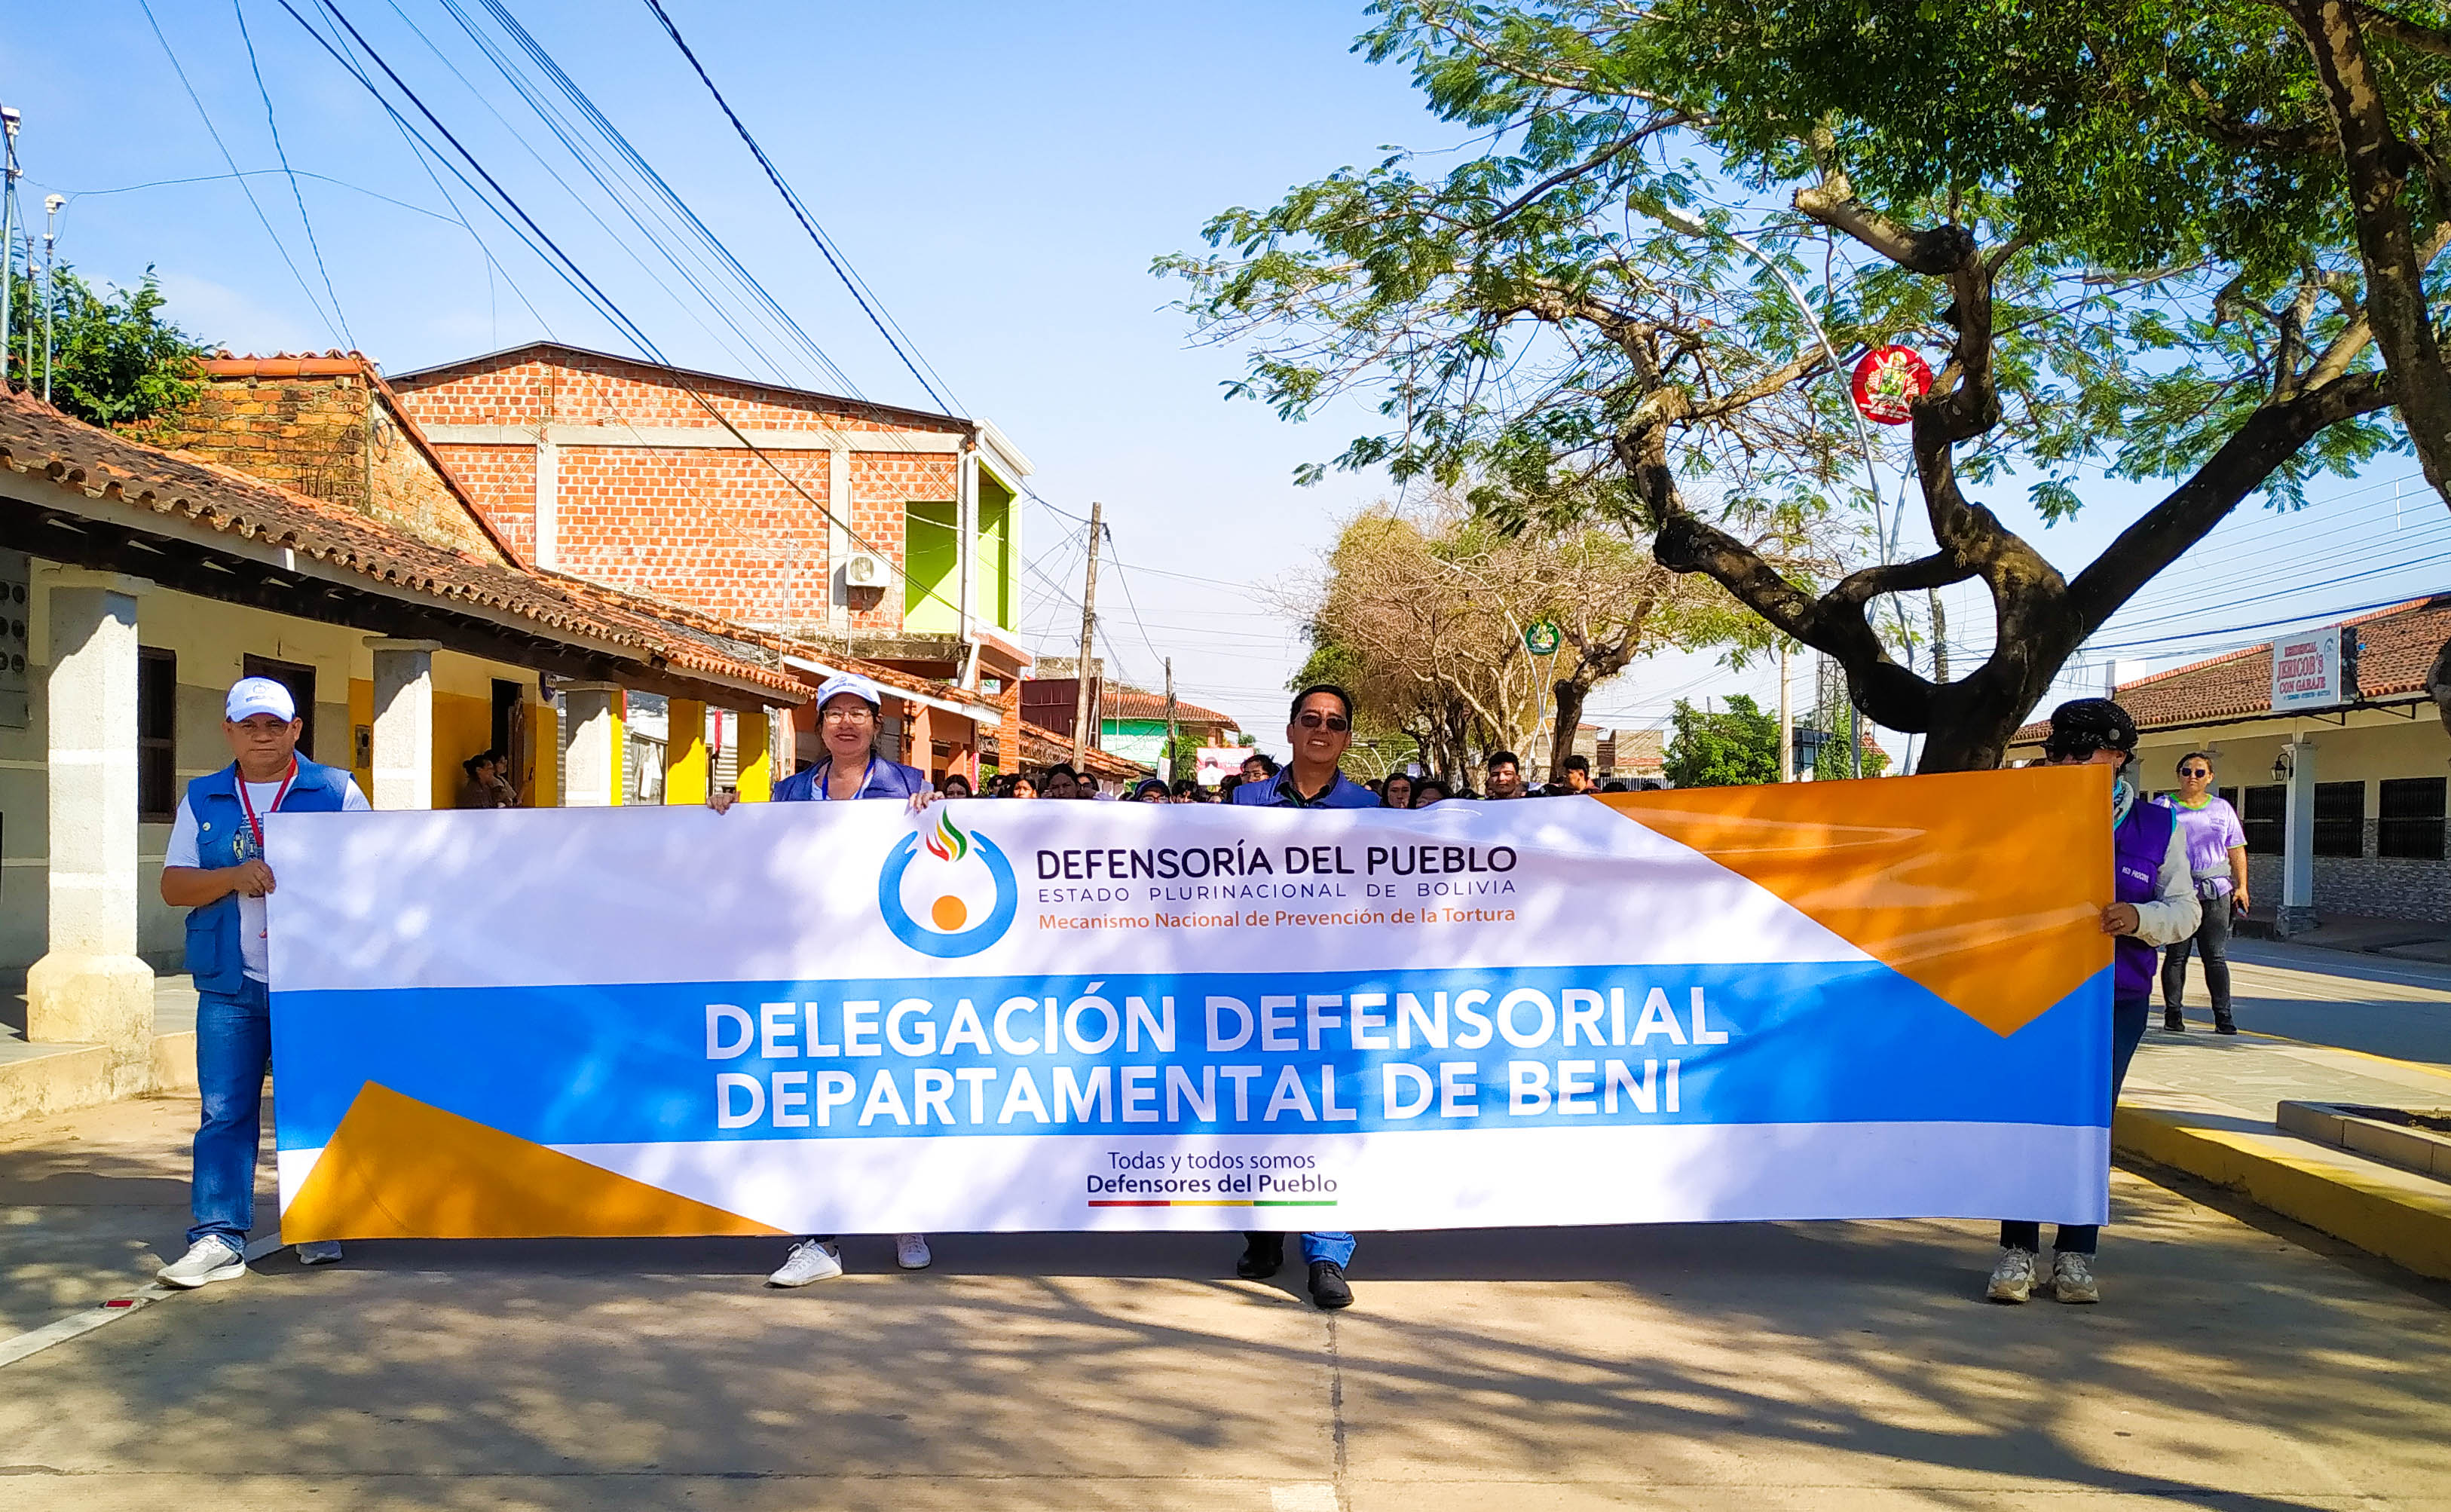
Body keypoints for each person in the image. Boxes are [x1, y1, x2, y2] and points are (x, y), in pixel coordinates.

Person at [710, 672, 938, 1284]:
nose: (845, 723)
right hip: (807, 971)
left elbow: (943, 862)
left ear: (876, 724)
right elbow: (756, 857)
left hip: (888, 968)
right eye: (833, 713)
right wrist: (725, 816)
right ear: (819, 726)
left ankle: (904, 1211)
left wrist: (936, 815)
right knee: (817, 1095)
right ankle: (820, 1241)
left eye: (857, 713)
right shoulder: (788, 793)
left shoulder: (911, 786)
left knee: (891, 1092)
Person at [155, 677, 372, 1287]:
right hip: (232, 980)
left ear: (296, 730)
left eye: (275, 725)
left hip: (314, 983)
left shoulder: (334, 791)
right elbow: (174, 886)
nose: (262, 736)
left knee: (317, 1104)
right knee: (224, 1111)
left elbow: (374, 876)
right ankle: (217, 1238)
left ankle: (320, 1221)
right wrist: (232, 876)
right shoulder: (204, 798)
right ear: (228, 731)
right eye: (249, 725)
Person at [1987, 697, 2198, 1307]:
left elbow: (2186, 911)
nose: (2073, 763)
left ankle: (2076, 1255)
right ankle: (2017, 1250)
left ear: (2120, 756)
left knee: (2089, 1122)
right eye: (2062, 753)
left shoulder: (2159, 827)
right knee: (2028, 1116)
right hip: (2033, 993)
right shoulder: (2025, 815)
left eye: (2087, 752)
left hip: (2115, 997)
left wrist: (2139, 916)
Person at [1231, 683, 1379, 1309]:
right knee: (1257, 1110)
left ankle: (1327, 1252)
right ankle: (1264, 1232)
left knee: (1330, 1111)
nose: (1322, 729)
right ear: (1291, 729)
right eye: (1310, 719)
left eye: (1335, 722)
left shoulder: (1370, 809)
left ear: (1346, 738)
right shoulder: (1242, 801)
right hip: (1251, 984)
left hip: (1337, 985)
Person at [2154, 752, 2248, 1035]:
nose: (2191, 777)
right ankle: (2173, 1013)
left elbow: (2236, 849)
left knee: (2215, 956)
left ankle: (2224, 1016)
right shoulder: (2164, 807)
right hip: (2179, 891)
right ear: (2178, 774)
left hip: (2216, 891)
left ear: (2210, 777)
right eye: (2186, 771)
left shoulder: (2221, 809)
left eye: (2199, 772)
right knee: (2177, 955)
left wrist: (2242, 886)